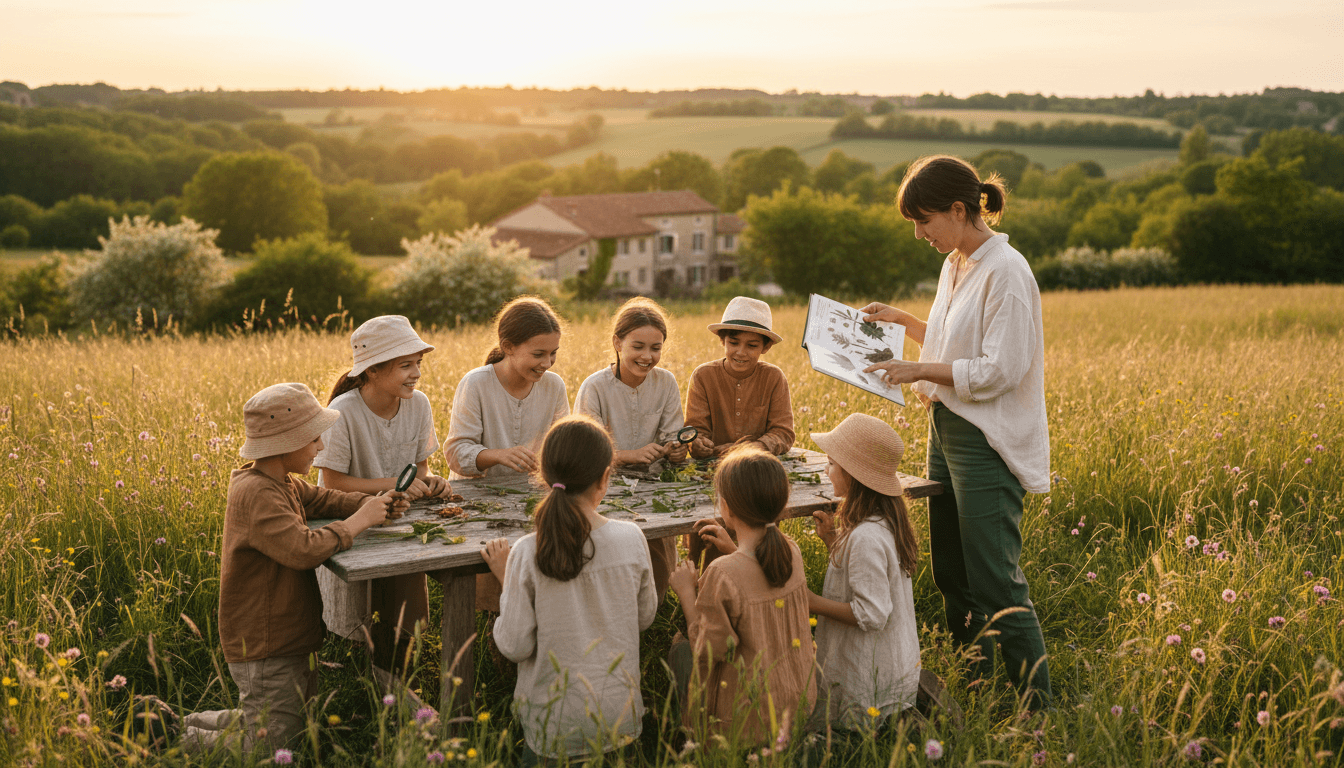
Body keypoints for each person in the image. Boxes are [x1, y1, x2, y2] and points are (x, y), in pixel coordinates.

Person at [860, 154, 1052, 708]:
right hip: (945, 426)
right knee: (951, 570)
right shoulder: (957, 263)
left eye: (925, 221)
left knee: (995, 578)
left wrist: (917, 369)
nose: (919, 234)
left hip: (985, 439)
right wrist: (906, 323)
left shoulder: (1007, 271)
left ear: (960, 209)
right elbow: (954, 343)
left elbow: (999, 368)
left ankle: (1036, 707)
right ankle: (982, 681)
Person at [181, 383, 405, 753]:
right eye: (314, 438)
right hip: (266, 642)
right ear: (286, 442)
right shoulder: (258, 494)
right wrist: (359, 522)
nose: (320, 447)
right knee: (270, 746)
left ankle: (183, 723)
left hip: (286, 635)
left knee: (282, 719)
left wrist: (370, 503)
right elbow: (302, 549)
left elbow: (322, 498)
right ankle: (168, 736)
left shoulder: (280, 483)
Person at [480, 416, 657, 763]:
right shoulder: (632, 537)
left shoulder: (526, 552)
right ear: (606, 477)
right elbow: (644, 617)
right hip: (621, 718)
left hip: (552, 726)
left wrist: (507, 582)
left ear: (543, 477)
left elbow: (515, 646)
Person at [314, 315, 452, 666]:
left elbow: (420, 467)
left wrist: (430, 481)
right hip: (355, 525)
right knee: (358, 622)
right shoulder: (342, 412)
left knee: (403, 620)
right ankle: (359, 674)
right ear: (372, 371)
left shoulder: (418, 405)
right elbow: (332, 483)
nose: (416, 373)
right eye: (406, 365)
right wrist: (393, 484)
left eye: (418, 363)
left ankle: (401, 668)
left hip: (401, 522)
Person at [666, 447, 816, 746]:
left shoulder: (723, 573)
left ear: (727, 508)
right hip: (798, 701)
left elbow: (709, 651)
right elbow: (755, 581)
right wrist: (733, 550)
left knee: (679, 650)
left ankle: (683, 739)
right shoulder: (791, 551)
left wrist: (686, 592)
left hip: (746, 720)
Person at [445, 296, 569, 611]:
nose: (547, 363)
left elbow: (563, 444)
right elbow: (456, 453)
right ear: (508, 346)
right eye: (538, 354)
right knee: (493, 594)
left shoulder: (553, 386)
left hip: (529, 497)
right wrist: (498, 455)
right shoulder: (476, 384)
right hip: (476, 500)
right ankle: (495, 628)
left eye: (553, 354)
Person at [807, 413, 921, 727]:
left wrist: (811, 601)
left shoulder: (866, 538)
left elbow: (871, 614)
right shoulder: (880, 523)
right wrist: (832, 540)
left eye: (831, 463)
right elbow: (865, 577)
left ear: (853, 473)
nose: (826, 470)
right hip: (889, 674)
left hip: (868, 690)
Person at [575, 297, 686, 598]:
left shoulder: (666, 383)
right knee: (609, 566)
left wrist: (676, 450)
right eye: (638, 346)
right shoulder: (595, 387)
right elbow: (582, 453)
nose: (647, 356)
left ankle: (654, 612)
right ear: (617, 342)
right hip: (604, 490)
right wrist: (626, 456)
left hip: (655, 489)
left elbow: (673, 436)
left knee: (656, 569)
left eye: (656, 348)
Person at [684, 296, 796, 566]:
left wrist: (755, 447)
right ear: (722, 341)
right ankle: (701, 586)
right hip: (710, 478)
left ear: (766, 347)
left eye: (752, 345)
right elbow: (694, 429)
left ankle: (757, 588)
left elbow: (783, 432)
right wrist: (697, 443)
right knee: (707, 539)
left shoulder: (773, 378)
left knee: (758, 546)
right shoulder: (703, 376)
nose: (741, 352)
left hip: (757, 477)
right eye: (733, 342)